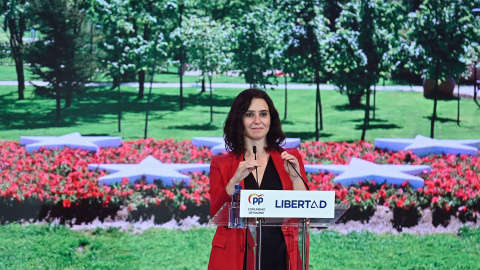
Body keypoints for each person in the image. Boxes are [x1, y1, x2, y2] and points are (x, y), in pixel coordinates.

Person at [208, 89, 309, 270]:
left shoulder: (290, 158)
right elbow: (216, 213)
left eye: (263, 114)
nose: (257, 121)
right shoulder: (221, 164)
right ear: (239, 120)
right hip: (235, 256)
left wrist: (295, 179)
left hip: (280, 253)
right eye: (249, 114)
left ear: (271, 119)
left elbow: (306, 211)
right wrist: (234, 181)